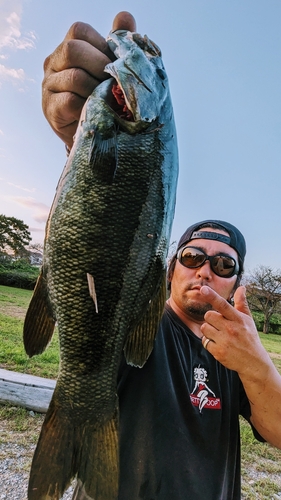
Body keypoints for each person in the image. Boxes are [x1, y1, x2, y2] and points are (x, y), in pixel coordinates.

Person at [42, 11, 281, 499]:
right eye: (192, 255)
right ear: (166, 268)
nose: (205, 270)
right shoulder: (137, 326)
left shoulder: (236, 354)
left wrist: (256, 363)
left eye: (224, 264)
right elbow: (112, 229)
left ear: (237, 284)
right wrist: (81, 141)